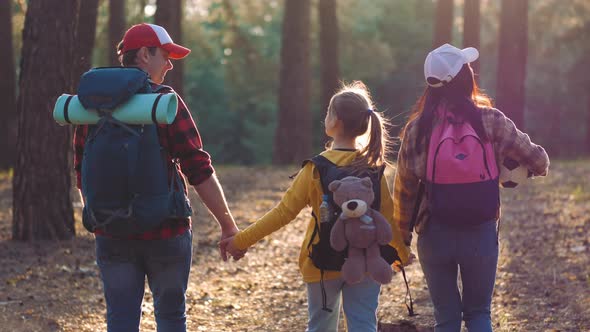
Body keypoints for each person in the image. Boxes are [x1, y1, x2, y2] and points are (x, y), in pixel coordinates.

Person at [73, 23, 243, 332]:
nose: (170, 63)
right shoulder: (164, 101)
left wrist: (103, 216)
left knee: (121, 319)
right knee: (171, 317)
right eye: (164, 55)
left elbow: (81, 170)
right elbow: (198, 168)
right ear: (142, 55)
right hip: (167, 229)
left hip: (111, 234)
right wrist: (228, 225)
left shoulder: (90, 107)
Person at [221, 81, 411, 332]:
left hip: (322, 263)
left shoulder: (315, 168)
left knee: (320, 327)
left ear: (336, 122)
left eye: (329, 112)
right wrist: (402, 255)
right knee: (364, 324)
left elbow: (283, 213)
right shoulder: (373, 169)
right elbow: (387, 218)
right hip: (366, 262)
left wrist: (241, 241)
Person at [393, 43, 550, 332]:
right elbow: (539, 160)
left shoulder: (417, 129)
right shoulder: (491, 120)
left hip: (433, 234)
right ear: (466, 77)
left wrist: (400, 240)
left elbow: (404, 190)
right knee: (479, 314)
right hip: (480, 234)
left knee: (447, 319)